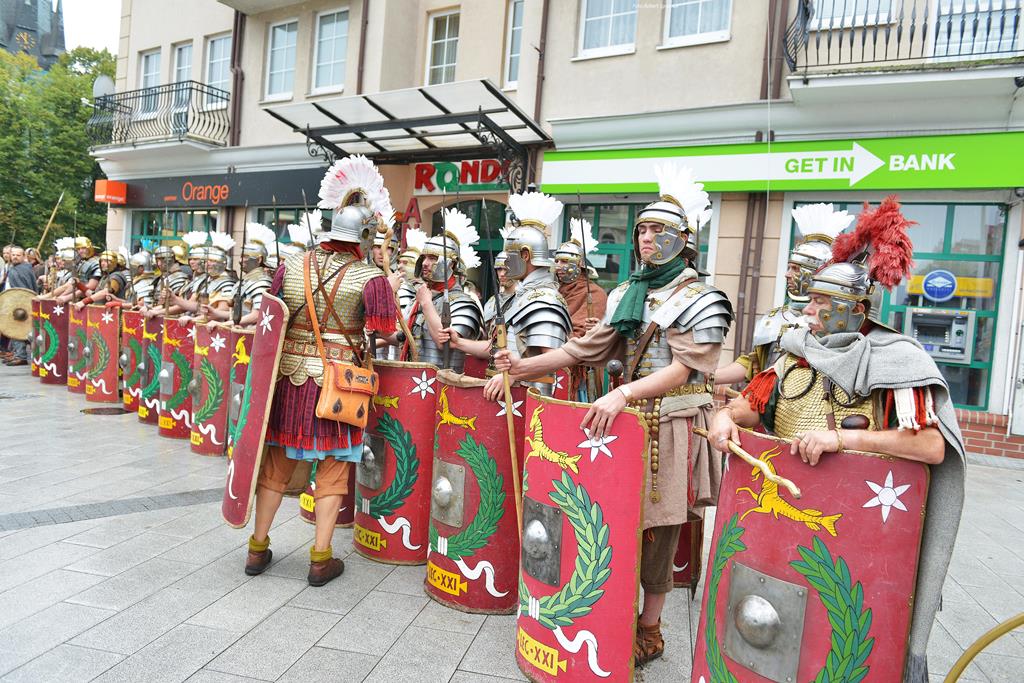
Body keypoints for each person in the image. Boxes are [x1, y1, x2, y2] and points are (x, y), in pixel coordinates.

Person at [707, 197, 965, 682]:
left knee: (841, 639)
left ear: (856, 309)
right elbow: (751, 405)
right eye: (811, 299)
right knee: (770, 628)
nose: (809, 310)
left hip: (856, 526)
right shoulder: (795, 353)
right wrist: (725, 416)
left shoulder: (897, 361)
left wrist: (843, 441)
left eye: (822, 303)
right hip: (785, 518)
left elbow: (930, 446)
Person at [492, 165, 733, 665]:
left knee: (660, 530)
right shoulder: (628, 293)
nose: (645, 237)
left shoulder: (702, 298)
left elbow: (684, 369)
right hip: (624, 425)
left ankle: (651, 627)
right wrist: (521, 368)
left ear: (683, 240)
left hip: (671, 424)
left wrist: (623, 394)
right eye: (642, 228)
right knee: (615, 522)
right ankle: (612, 610)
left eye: (657, 229)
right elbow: (583, 350)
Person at [245, 154, 397, 586]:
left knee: (275, 462)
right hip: (338, 384)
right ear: (363, 236)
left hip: (289, 380)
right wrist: (388, 284)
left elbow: (270, 319)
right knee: (333, 468)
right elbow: (386, 331)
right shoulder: (370, 277)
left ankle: (257, 547)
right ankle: (319, 558)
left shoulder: (291, 266)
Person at [446, 190, 573, 396]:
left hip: (529, 400)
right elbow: (496, 348)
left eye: (510, 255)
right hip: (505, 396)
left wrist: (514, 375)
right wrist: (459, 342)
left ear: (525, 255)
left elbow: (554, 360)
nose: (505, 263)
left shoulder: (545, 300)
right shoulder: (520, 297)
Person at [716, 203, 853, 385]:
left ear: (814, 272)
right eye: (789, 267)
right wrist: (709, 377)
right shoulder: (774, 318)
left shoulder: (833, 323)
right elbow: (753, 364)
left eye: (795, 269)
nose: (787, 274)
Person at [398, 207, 483, 370]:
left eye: (432, 258)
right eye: (424, 258)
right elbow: (401, 337)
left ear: (451, 264)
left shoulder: (463, 303)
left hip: (443, 381)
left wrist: (427, 304)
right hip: (411, 377)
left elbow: (444, 343)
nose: (425, 263)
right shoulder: (420, 297)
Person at [203, 223, 274, 326]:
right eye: (241, 257)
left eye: (245, 257)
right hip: (239, 330)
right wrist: (215, 313)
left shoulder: (261, 282)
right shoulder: (246, 281)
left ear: (259, 259)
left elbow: (257, 315)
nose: (240, 261)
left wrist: (225, 324)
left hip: (249, 332)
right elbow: (237, 314)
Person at [2, 246, 40, 367]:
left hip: (21, 305)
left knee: (18, 327)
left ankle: (21, 355)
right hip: (14, 303)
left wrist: (20, 303)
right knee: (14, 327)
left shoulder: (22, 269)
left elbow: (24, 291)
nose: (15, 257)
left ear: (23, 256)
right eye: (13, 255)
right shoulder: (16, 268)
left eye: (18, 255)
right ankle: (17, 353)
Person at [482, 251, 517, 337]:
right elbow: (487, 335)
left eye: (506, 269)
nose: (502, 274)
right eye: (499, 269)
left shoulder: (522, 300)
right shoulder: (491, 302)